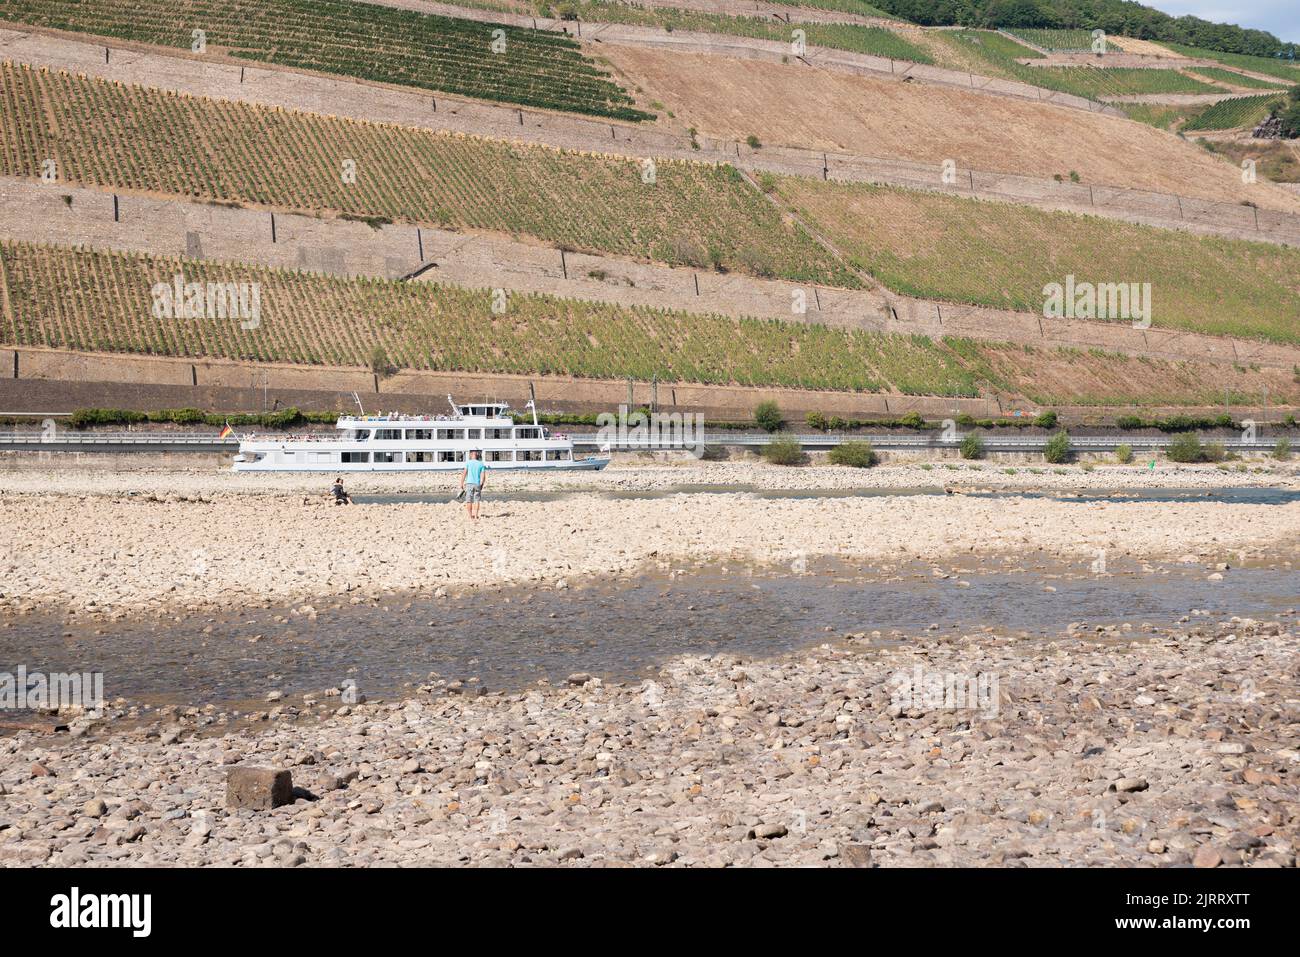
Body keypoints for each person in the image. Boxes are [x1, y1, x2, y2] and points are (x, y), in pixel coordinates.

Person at [460, 450, 486, 519]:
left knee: (469, 500)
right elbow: (483, 476)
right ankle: (476, 515)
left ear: (471, 455)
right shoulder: (481, 464)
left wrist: (461, 483)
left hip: (469, 483)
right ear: (477, 456)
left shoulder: (468, 463)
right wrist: (482, 484)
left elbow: (464, 473)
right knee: (477, 500)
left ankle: (470, 516)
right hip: (477, 484)